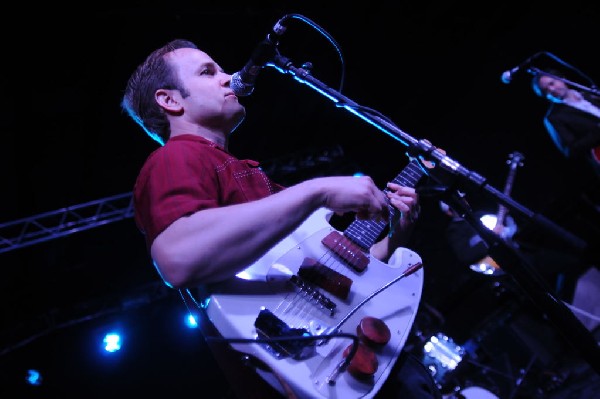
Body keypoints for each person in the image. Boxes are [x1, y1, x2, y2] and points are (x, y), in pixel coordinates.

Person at [121, 39, 441, 399]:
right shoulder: (174, 158)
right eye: (208, 72)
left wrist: (397, 234)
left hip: (337, 352)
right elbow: (178, 260)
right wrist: (315, 191)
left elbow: (330, 275)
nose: (229, 78)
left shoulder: (247, 174)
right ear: (170, 101)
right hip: (296, 369)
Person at [531, 69, 600, 184]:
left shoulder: (589, 94)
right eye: (545, 90)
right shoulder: (553, 117)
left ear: (562, 79)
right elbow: (570, 150)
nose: (551, 90)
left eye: (552, 83)